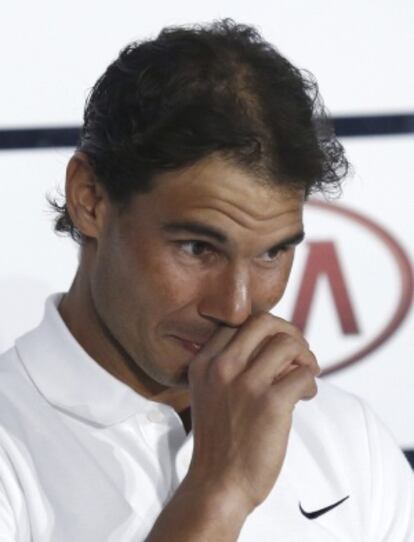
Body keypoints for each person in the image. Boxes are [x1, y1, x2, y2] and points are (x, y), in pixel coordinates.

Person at [0, 19, 413, 542]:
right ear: (91, 199)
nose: (237, 309)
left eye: (272, 252)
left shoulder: (348, 439)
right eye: (198, 248)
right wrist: (222, 489)